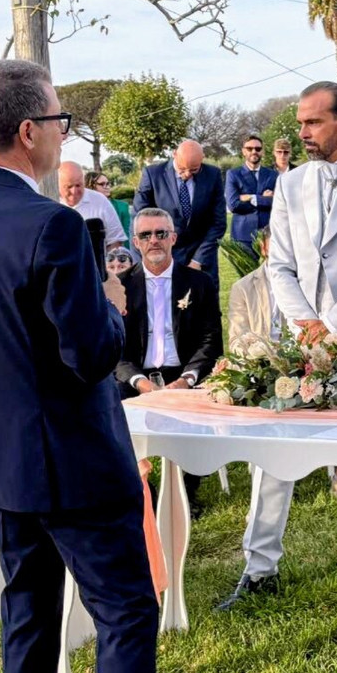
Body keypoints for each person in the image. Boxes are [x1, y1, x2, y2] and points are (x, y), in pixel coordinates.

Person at [0, 59, 157, 673]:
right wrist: (111, 305)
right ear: (29, 131)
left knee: (27, 610)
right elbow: (92, 355)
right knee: (126, 611)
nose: (62, 134)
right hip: (75, 461)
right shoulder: (54, 224)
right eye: (59, 121)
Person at [222, 81, 337, 610]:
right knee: (274, 450)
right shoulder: (290, 183)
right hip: (299, 339)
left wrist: (335, 324)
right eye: (300, 122)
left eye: (313, 122)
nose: (302, 131)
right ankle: (259, 567)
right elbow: (279, 263)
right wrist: (305, 322)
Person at [115, 208, 224, 512]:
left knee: (205, 402)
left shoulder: (199, 283)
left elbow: (211, 341)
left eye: (161, 233)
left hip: (183, 372)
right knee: (110, 406)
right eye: (146, 235)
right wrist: (140, 382)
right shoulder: (120, 286)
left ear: (173, 238)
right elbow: (114, 348)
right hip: (136, 375)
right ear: (135, 242)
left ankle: (187, 492)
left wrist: (186, 380)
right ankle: (144, 491)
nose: (154, 240)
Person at [134, 139, 226, 290]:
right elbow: (139, 220)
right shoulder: (153, 174)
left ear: (202, 159)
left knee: (206, 303)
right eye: (182, 169)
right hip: (166, 257)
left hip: (203, 257)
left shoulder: (213, 175)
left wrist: (198, 260)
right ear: (174, 155)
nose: (187, 174)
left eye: (194, 170)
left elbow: (218, 223)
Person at [226, 134, 278, 260]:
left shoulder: (273, 175)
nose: (254, 151)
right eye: (249, 148)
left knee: (271, 271)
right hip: (243, 235)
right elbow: (234, 205)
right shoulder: (233, 174)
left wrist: (252, 197)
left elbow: (278, 202)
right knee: (246, 272)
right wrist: (264, 199)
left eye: (258, 149)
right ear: (243, 151)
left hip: (268, 235)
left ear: (262, 151)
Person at [59, 161, 127, 250]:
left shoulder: (100, 200)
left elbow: (116, 240)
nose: (74, 191)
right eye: (69, 187)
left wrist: (106, 258)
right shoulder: (50, 201)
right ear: (58, 185)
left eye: (78, 185)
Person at [228, 228, 278, 344]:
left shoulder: (309, 285)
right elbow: (237, 339)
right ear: (263, 248)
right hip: (261, 352)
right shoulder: (242, 289)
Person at [87, 169, 132, 242]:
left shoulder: (122, 207)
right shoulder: (84, 207)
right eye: (102, 184)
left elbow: (127, 236)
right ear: (91, 186)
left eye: (108, 184)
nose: (107, 187)